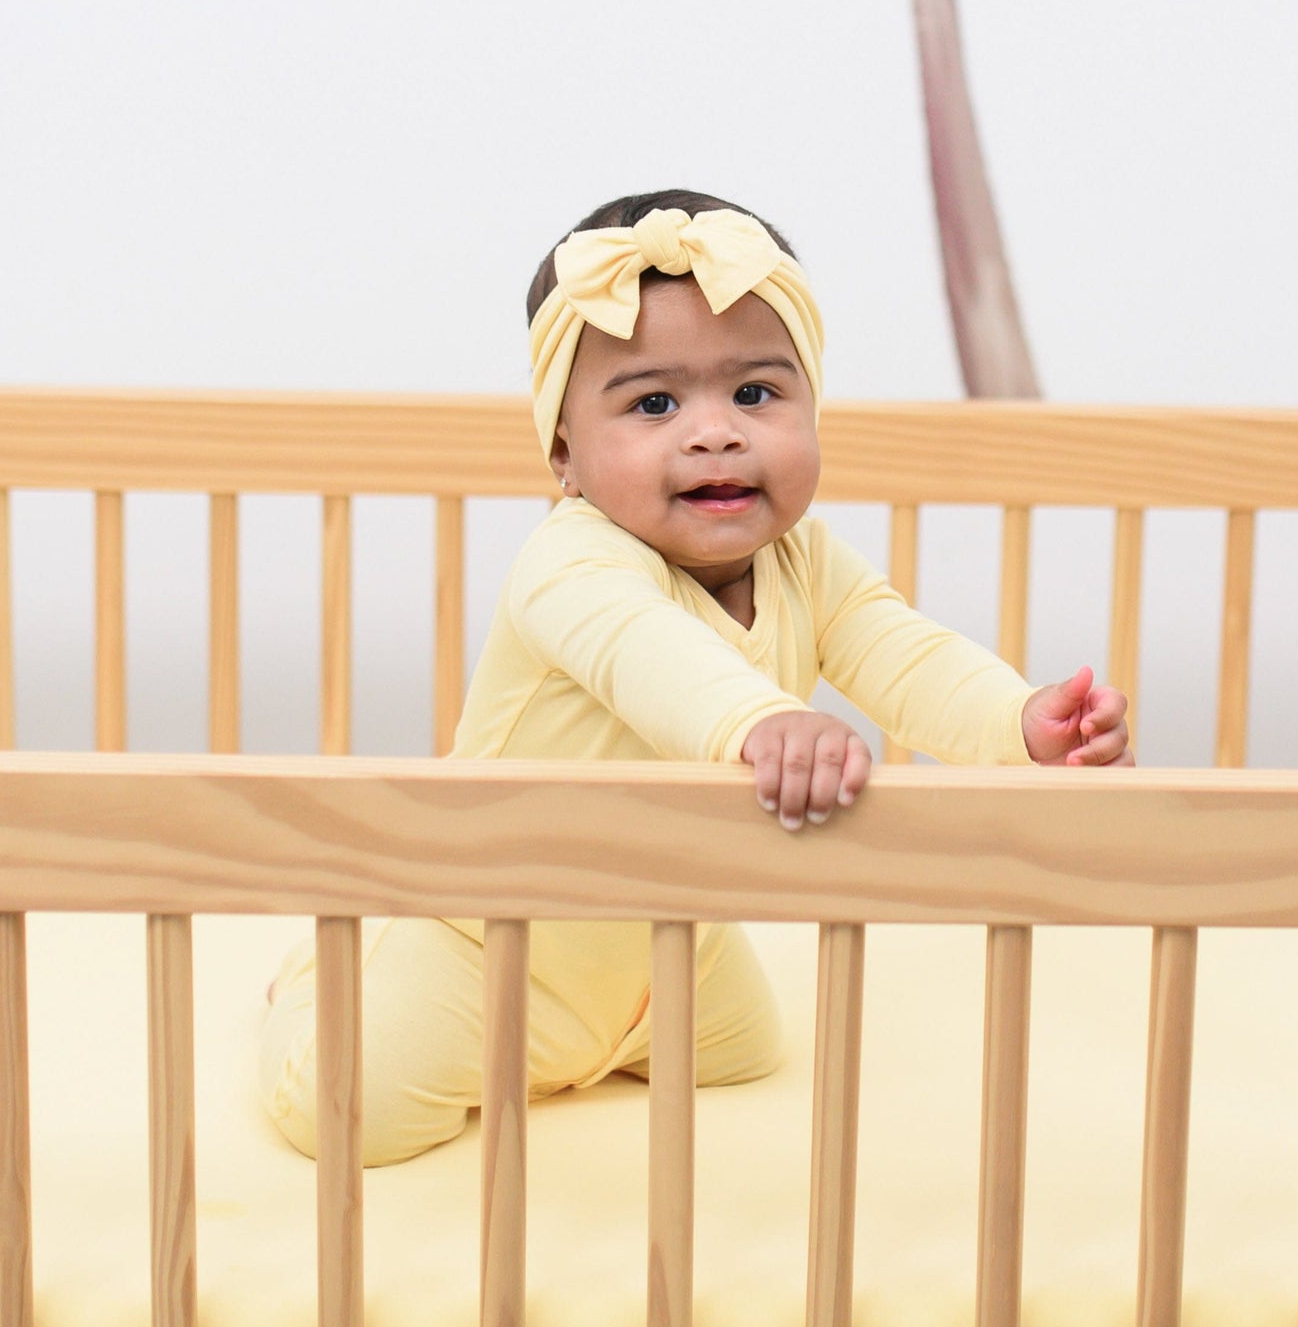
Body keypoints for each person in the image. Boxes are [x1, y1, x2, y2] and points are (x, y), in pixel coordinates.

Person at [259, 191, 1132, 1165]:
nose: (715, 433)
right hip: (492, 941)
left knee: (752, 1054)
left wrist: (1021, 722)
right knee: (348, 1118)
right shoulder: (572, 565)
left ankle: (612, 1040)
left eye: (756, 394)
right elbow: (645, 656)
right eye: (654, 404)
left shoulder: (807, 561)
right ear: (565, 455)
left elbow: (904, 654)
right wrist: (763, 724)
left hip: (668, 947)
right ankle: (316, 985)